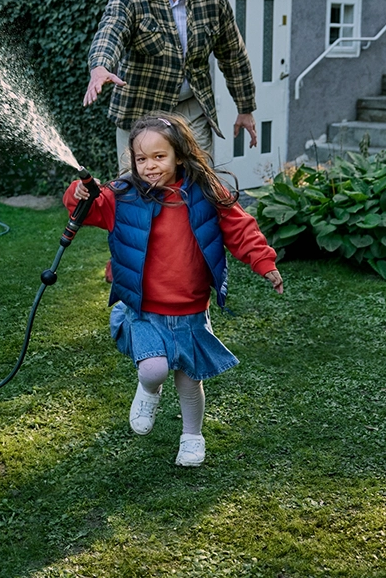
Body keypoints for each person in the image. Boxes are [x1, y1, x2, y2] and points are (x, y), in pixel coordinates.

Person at [63, 113, 283, 467]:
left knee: (188, 380)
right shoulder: (123, 196)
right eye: (141, 159)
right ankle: (148, 390)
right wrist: (79, 194)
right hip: (145, 308)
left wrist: (265, 262)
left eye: (159, 157)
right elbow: (90, 209)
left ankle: (192, 437)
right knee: (154, 369)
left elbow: (241, 229)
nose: (149, 166)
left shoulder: (206, 193)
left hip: (191, 310)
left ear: (179, 154)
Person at [83, 0, 259, 168]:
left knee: (199, 184)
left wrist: (245, 107)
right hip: (140, 112)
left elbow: (234, 55)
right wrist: (100, 65)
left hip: (191, 111)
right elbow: (111, 31)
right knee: (136, 191)